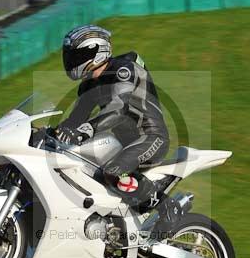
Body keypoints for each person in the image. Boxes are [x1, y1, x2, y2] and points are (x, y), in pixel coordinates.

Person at [56, 24, 170, 211]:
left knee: (112, 172)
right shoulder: (88, 86)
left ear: (97, 52)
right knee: (85, 168)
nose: (71, 61)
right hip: (123, 144)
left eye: (77, 56)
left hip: (151, 137)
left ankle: (167, 206)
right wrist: (47, 134)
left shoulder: (124, 70)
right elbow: (74, 121)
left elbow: (118, 108)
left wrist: (85, 131)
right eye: (70, 56)